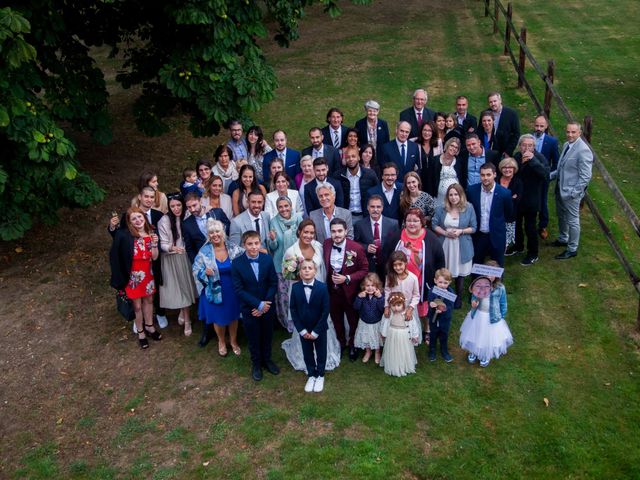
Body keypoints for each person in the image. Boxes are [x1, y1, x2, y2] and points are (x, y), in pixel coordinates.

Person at [281, 219, 342, 372]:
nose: (308, 235)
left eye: (311, 233)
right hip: (301, 293)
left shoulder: (318, 246)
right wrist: (302, 274)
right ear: (299, 232)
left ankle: (324, 353)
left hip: (320, 291)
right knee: (304, 320)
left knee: (322, 319)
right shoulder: (291, 251)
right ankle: (304, 354)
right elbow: (287, 275)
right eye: (305, 232)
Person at [110, 186, 166, 329]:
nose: (149, 199)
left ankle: (156, 316)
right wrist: (112, 227)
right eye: (146, 196)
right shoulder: (128, 216)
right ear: (140, 197)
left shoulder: (158, 216)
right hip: (133, 269)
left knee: (152, 296)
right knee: (137, 303)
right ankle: (138, 324)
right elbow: (119, 240)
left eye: (152, 197)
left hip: (151, 265)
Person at [387, 208, 447, 342]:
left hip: (421, 281)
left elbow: (440, 260)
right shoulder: (397, 236)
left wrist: (438, 279)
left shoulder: (431, 238)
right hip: (400, 280)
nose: (412, 224)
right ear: (404, 222)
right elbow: (386, 255)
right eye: (409, 220)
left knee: (422, 308)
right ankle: (400, 327)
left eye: (415, 221)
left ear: (422, 222)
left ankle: (427, 329)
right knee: (399, 304)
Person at [109, 207, 162, 349]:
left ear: (144, 217)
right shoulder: (125, 235)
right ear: (129, 221)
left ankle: (150, 326)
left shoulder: (151, 233)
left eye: (140, 217)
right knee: (137, 306)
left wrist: (155, 243)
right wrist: (112, 226)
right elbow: (114, 235)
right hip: (133, 276)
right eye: (134, 219)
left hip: (148, 274)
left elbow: (155, 257)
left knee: (149, 300)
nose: (138, 220)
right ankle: (141, 332)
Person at [231, 230, 279, 382]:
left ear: (260, 243)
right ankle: (256, 363)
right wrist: (257, 305)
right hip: (250, 308)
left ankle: (267, 359)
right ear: (244, 245)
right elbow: (239, 289)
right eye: (250, 244)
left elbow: (273, 282)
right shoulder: (237, 263)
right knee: (253, 336)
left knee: (267, 334)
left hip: (267, 305)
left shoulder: (267, 259)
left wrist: (265, 304)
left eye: (256, 243)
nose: (253, 247)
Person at [193, 219, 245, 355]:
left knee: (233, 317)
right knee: (218, 318)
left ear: (222, 233)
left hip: (232, 289)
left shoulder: (233, 248)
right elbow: (195, 269)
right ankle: (221, 341)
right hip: (214, 290)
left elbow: (246, 258)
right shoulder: (204, 251)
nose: (214, 235)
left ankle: (233, 341)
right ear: (208, 235)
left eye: (217, 231)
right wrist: (204, 272)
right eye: (211, 233)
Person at [323, 218, 369, 361]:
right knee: (336, 319)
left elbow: (364, 269)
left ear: (346, 231)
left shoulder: (356, 248)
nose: (336, 234)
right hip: (332, 291)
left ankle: (353, 344)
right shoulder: (326, 244)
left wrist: (347, 278)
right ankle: (341, 343)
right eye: (333, 231)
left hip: (350, 291)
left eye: (339, 231)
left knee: (352, 320)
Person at [551, 122, 594, 260]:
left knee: (573, 221)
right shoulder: (566, 145)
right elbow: (562, 167)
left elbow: (585, 177)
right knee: (561, 216)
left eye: (573, 132)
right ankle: (563, 238)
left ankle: (572, 249)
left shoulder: (583, 150)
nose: (570, 134)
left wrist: (574, 193)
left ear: (579, 133)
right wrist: (550, 176)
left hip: (571, 194)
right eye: (568, 131)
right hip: (560, 189)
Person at [431, 184, 477, 308]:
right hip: (446, 245)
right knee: (445, 271)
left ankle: (458, 298)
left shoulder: (469, 207)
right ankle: (445, 297)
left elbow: (473, 227)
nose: (453, 197)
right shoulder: (441, 208)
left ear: (461, 195)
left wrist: (461, 231)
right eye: (450, 194)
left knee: (460, 273)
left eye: (456, 194)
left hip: (462, 245)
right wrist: (446, 232)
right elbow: (434, 224)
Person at [157, 194, 197, 336]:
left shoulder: (188, 216)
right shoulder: (164, 220)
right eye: (172, 206)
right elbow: (162, 243)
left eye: (178, 205)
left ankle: (183, 311)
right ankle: (187, 320)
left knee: (186, 287)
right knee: (180, 288)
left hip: (186, 256)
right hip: (172, 258)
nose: (176, 208)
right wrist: (172, 248)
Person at [459, 263, 513, 368]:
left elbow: (503, 302)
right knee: (476, 333)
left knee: (488, 337)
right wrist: (474, 303)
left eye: (492, 274)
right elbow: (474, 297)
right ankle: (474, 351)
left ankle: (485, 354)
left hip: (491, 317)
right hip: (479, 314)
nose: (489, 276)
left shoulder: (500, 288)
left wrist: (502, 316)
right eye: (487, 273)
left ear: (496, 275)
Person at [289, 259, 330, 393]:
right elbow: (293, 310)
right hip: (304, 329)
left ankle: (320, 375)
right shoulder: (295, 288)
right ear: (300, 272)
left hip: (319, 328)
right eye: (304, 268)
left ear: (315, 271)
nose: (307, 270)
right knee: (307, 353)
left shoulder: (322, 288)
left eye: (309, 268)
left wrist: (317, 331)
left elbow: (325, 311)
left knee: (321, 351)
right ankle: (311, 375)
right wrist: (301, 330)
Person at [509, 134, 550, 265]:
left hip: (532, 199)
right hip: (518, 197)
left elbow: (545, 174)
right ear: (520, 146)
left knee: (530, 227)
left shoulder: (539, 158)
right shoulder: (516, 156)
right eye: (524, 145)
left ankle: (533, 253)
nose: (526, 148)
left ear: (534, 147)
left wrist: (532, 160)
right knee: (517, 225)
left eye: (530, 145)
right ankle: (518, 246)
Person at [467, 163, 514, 267]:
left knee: (497, 263)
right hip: (478, 235)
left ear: (495, 174)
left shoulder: (505, 193)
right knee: (476, 263)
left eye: (488, 175)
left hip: (497, 235)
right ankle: (476, 283)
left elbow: (509, 215)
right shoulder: (471, 191)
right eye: (482, 175)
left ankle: (497, 283)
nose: (485, 178)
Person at [266, 195, 303, 329]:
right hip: (281, 264)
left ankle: (300, 320)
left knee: (298, 293)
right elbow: (273, 247)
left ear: (291, 206)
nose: (283, 209)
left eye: (286, 206)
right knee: (284, 295)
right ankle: (288, 323)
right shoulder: (274, 221)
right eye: (280, 207)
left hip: (298, 261)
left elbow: (304, 238)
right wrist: (273, 240)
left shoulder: (298, 218)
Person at [354, 194, 400, 282]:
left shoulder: (393, 224)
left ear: (382, 208)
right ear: (367, 207)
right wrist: (366, 247)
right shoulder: (359, 225)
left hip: (387, 265)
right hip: (368, 266)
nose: (375, 210)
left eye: (378, 207)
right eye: (372, 207)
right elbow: (355, 243)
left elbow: (396, 245)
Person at [182, 192, 231, 264]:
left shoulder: (217, 213)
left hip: (225, 254)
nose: (192, 209)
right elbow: (190, 248)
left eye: (194, 205)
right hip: (205, 261)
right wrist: (197, 264)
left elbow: (229, 229)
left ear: (200, 201)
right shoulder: (186, 224)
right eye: (189, 207)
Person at [379, 291, 420, 377]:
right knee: (392, 349)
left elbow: (413, 325)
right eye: (393, 306)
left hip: (403, 335)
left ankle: (404, 365)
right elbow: (384, 323)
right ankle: (393, 365)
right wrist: (383, 333)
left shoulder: (407, 314)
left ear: (403, 305)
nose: (396, 308)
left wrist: (415, 335)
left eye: (398, 305)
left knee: (403, 350)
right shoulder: (389, 314)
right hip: (392, 334)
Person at [333, 146, 379, 221]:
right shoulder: (338, 175)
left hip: (364, 216)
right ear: (344, 159)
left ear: (359, 157)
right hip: (345, 216)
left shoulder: (370, 174)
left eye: (353, 156)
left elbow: (377, 192)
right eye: (348, 157)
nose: (351, 159)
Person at [532, 115, 559, 239]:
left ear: (546, 126)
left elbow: (556, 162)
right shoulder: (528, 138)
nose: (538, 128)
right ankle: (529, 223)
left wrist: (548, 176)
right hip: (529, 176)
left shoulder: (552, 142)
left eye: (541, 126)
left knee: (543, 201)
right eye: (537, 125)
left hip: (543, 177)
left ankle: (542, 225)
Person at [353, 273, 385, 364]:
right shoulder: (362, 295)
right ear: (364, 286)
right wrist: (359, 297)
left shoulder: (380, 296)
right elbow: (356, 307)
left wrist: (380, 297)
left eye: (373, 285)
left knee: (377, 338)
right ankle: (368, 351)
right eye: (368, 285)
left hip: (376, 322)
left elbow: (382, 309)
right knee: (366, 337)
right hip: (364, 322)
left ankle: (377, 352)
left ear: (377, 286)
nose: (370, 288)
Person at [426, 268, 455, 362]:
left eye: (445, 283)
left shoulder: (450, 293)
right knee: (433, 335)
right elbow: (430, 301)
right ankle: (432, 351)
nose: (442, 285)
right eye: (440, 282)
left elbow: (450, 306)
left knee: (444, 335)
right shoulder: (432, 290)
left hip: (444, 320)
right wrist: (432, 305)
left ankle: (444, 351)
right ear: (435, 281)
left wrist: (443, 310)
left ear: (450, 282)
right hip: (433, 319)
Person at [427, 137, 463, 206]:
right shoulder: (435, 160)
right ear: (447, 145)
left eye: (456, 147)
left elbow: (462, 178)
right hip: (439, 197)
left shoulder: (459, 161)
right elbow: (430, 180)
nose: (454, 148)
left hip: (455, 197)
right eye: (452, 145)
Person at [497, 157, 522, 250]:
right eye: (504, 167)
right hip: (496, 214)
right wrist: (510, 198)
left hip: (510, 215)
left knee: (506, 240)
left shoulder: (518, 182)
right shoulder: (496, 180)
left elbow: (517, 199)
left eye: (510, 167)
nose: (507, 169)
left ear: (514, 169)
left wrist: (503, 199)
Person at [486, 92, 521, 157]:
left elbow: (516, 134)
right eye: (490, 102)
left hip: (504, 151)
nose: (493, 104)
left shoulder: (512, 114)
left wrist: (508, 151)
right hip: (488, 150)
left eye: (495, 101)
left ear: (500, 100)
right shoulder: (485, 113)